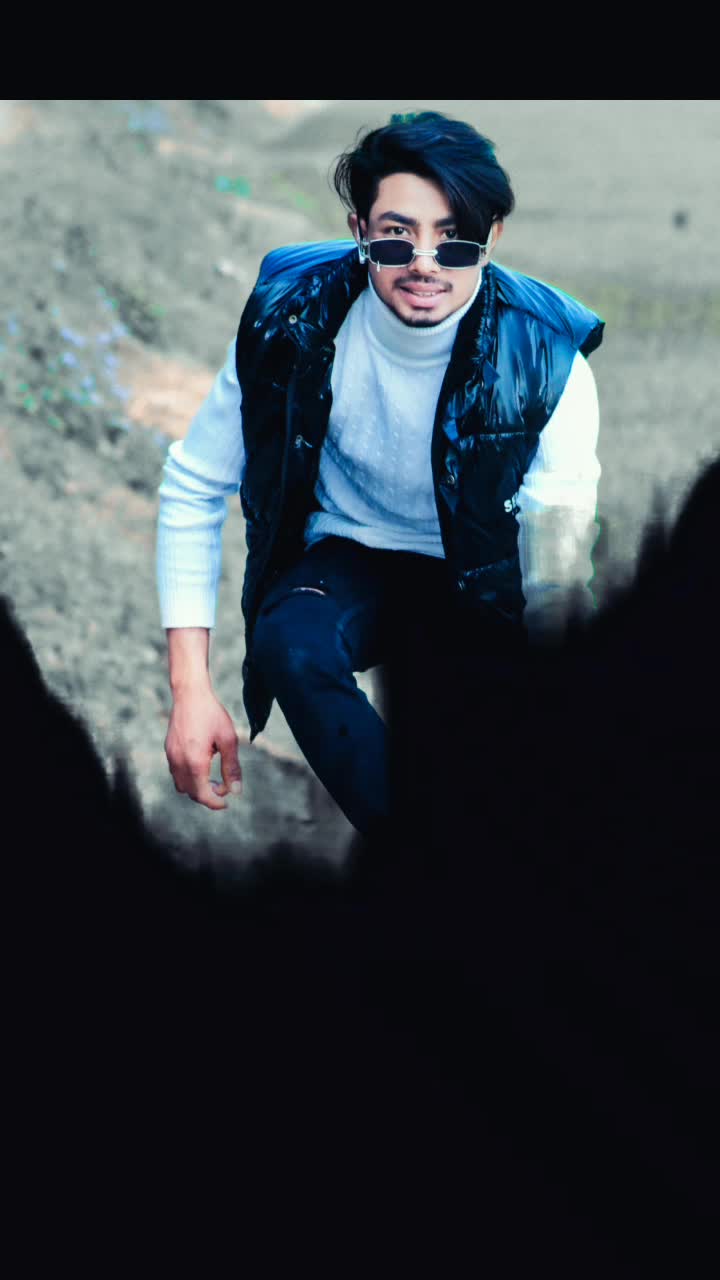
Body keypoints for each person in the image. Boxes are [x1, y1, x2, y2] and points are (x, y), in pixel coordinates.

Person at [156, 110, 604, 838]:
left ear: (491, 238)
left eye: (454, 239)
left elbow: (555, 576)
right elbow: (194, 484)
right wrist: (190, 690)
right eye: (397, 235)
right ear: (360, 230)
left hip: (479, 580)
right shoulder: (289, 322)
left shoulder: (547, 361)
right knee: (291, 641)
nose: (425, 262)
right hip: (349, 558)